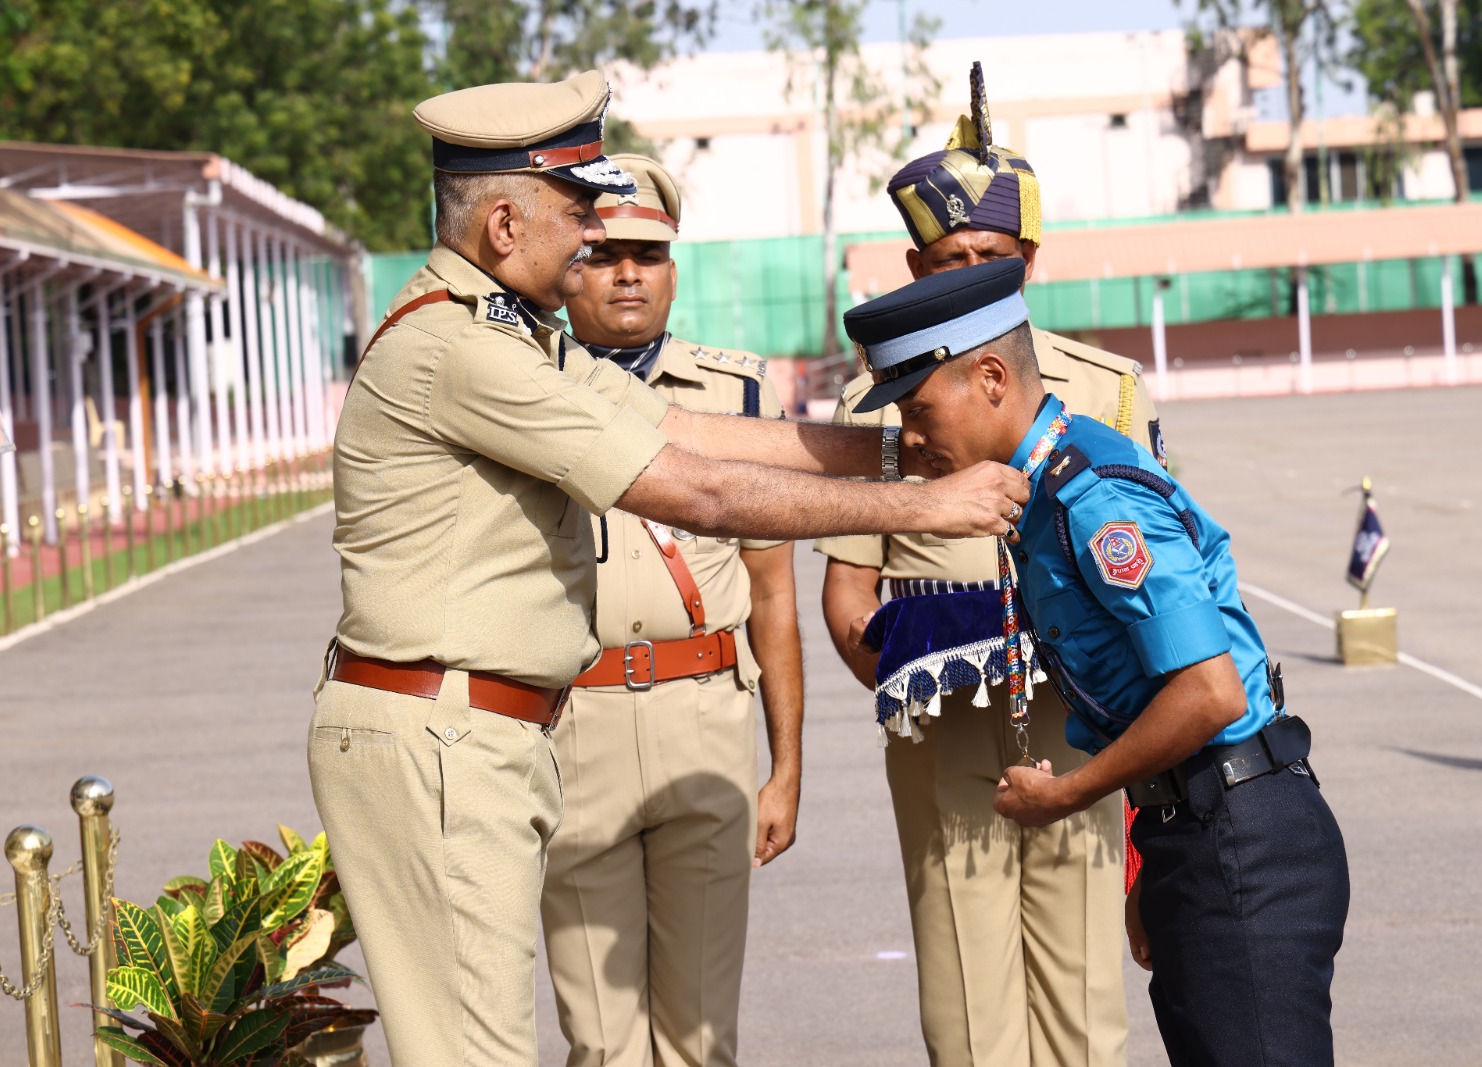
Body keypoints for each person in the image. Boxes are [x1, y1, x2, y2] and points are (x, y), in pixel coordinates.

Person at [308, 72, 1030, 1066]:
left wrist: (918, 452)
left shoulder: (507, 336)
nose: (591, 240)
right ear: (506, 224)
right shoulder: (458, 351)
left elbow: (697, 430)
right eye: (578, 212)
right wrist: (922, 502)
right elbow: (696, 491)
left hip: (480, 729)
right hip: (444, 732)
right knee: (478, 1051)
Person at [844, 256, 1352, 1067]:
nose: (909, 434)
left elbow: (1208, 692)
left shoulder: (1092, 497)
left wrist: (1069, 793)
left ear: (990, 376)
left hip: (1242, 839)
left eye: (918, 406)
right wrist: (1156, 851)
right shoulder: (1042, 488)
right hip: (1199, 825)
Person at [816, 67, 1147, 1067]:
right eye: (947, 256)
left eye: (990, 257)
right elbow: (846, 595)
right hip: (940, 723)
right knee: (968, 993)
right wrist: (913, 685)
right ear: (915, 261)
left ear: (1027, 259)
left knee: (1084, 987)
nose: (967, 270)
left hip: (1083, 719)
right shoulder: (876, 407)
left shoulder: (1106, 386)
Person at [541, 154, 802, 1067]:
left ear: (672, 269)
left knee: (699, 1038)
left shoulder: (739, 394)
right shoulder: (520, 388)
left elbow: (774, 589)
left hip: (705, 722)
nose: (625, 273)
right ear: (569, 264)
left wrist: (786, 766)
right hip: (575, 725)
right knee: (601, 1044)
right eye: (604, 252)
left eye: (646, 254)